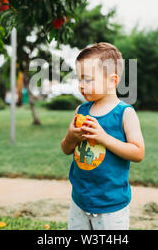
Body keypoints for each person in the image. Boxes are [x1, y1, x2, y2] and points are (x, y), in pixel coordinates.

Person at [60, 42, 145, 230]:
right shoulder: (81, 110)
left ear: (112, 81)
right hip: (80, 199)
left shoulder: (125, 113)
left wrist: (104, 138)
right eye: (79, 79)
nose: (81, 85)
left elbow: (138, 153)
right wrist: (72, 136)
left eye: (88, 80)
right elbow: (66, 148)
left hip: (110, 205)